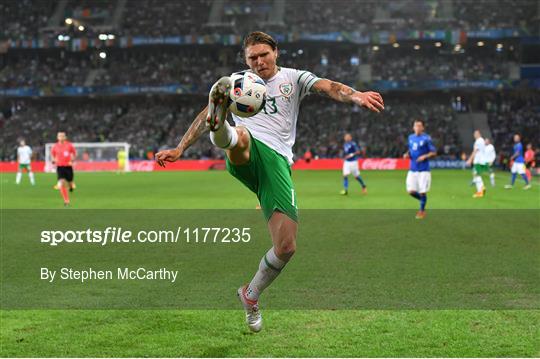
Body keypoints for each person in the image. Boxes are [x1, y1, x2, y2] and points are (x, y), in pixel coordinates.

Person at [155, 31, 384, 332]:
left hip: (277, 162)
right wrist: (180, 148)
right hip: (247, 152)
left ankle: (250, 295)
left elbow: (329, 86)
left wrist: (355, 94)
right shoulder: (240, 82)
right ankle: (222, 130)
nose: (259, 61)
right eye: (252, 58)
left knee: (286, 246)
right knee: (241, 137)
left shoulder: (294, 78)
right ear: (245, 60)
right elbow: (201, 115)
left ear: (276, 52)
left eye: (264, 54)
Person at [403, 119, 436, 219]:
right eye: (415, 126)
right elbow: (411, 149)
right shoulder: (410, 137)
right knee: (410, 191)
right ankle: (423, 201)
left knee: (422, 191)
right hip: (412, 169)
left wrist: (424, 156)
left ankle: (421, 211)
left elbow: (433, 152)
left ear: (422, 128)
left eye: (419, 126)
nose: (417, 128)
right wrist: (407, 154)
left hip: (423, 170)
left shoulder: (427, 138)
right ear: (413, 128)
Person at [51, 132, 76, 206]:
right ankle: (66, 200)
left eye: (62, 136)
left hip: (68, 167)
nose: (61, 137)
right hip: (60, 167)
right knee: (61, 182)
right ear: (57, 137)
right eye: (59, 136)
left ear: (65, 137)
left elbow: (74, 154)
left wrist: (72, 160)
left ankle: (71, 186)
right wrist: (53, 160)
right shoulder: (55, 146)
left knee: (70, 182)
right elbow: (53, 155)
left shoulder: (69, 145)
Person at [466, 130, 488, 198]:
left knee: (476, 175)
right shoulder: (482, 140)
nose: (474, 135)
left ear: (478, 134)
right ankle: (482, 188)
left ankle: (480, 191)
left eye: (475, 134)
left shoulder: (478, 141)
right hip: (482, 161)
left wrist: (470, 159)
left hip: (478, 161)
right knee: (476, 174)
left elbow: (475, 151)